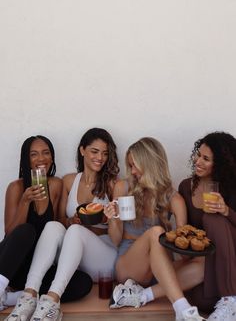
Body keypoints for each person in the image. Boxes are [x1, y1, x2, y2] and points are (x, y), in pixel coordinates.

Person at [5, 128, 119, 321]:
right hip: (71, 258)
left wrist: (110, 219)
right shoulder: (68, 181)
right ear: (82, 150)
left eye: (105, 153)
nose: (100, 157)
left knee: (74, 232)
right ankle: (29, 295)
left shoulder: (114, 184)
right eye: (94, 151)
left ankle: (52, 300)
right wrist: (70, 221)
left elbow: (118, 238)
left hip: (104, 254)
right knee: (53, 226)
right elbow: (60, 223)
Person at [104, 137, 205, 321]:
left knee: (203, 267)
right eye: (130, 166)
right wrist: (114, 218)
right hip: (129, 265)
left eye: (135, 165)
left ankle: (143, 296)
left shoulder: (174, 199)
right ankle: (182, 308)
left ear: (150, 164)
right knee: (157, 233)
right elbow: (116, 240)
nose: (132, 171)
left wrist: (189, 242)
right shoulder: (123, 187)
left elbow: (183, 254)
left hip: (160, 269)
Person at [0, 135, 62, 310]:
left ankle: (11, 298)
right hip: (11, 264)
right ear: (26, 159)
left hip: (38, 268)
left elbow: (55, 228)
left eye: (46, 153)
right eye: (34, 154)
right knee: (26, 230)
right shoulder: (16, 187)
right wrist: (25, 202)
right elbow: (10, 234)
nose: (41, 159)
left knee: (82, 283)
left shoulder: (56, 184)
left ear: (52, 157)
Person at [178, 131, 236, 320]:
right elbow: (186, 230)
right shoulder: (186, 186)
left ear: (220, 164)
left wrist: (226, 211)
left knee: (213, 218)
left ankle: (230, 299)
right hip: (206, 260)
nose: (198, 161)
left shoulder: (232, 187)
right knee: (202, 301)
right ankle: (228, 302)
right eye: (198, 155)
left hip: (232, 253)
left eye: (206, 159)